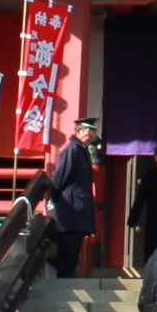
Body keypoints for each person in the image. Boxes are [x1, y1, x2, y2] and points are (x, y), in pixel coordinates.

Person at [44, 115, 102, 276]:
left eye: (93, 131)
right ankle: (65, 278)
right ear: (79, 131)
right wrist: (55, 199)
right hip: (70, 206)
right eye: (89, 131)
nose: (92, 134)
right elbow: (61, 177)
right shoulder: (72, 149)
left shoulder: (81, 150)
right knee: (69, 246)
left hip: (77, 207)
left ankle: (69, 276)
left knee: (74, 246)